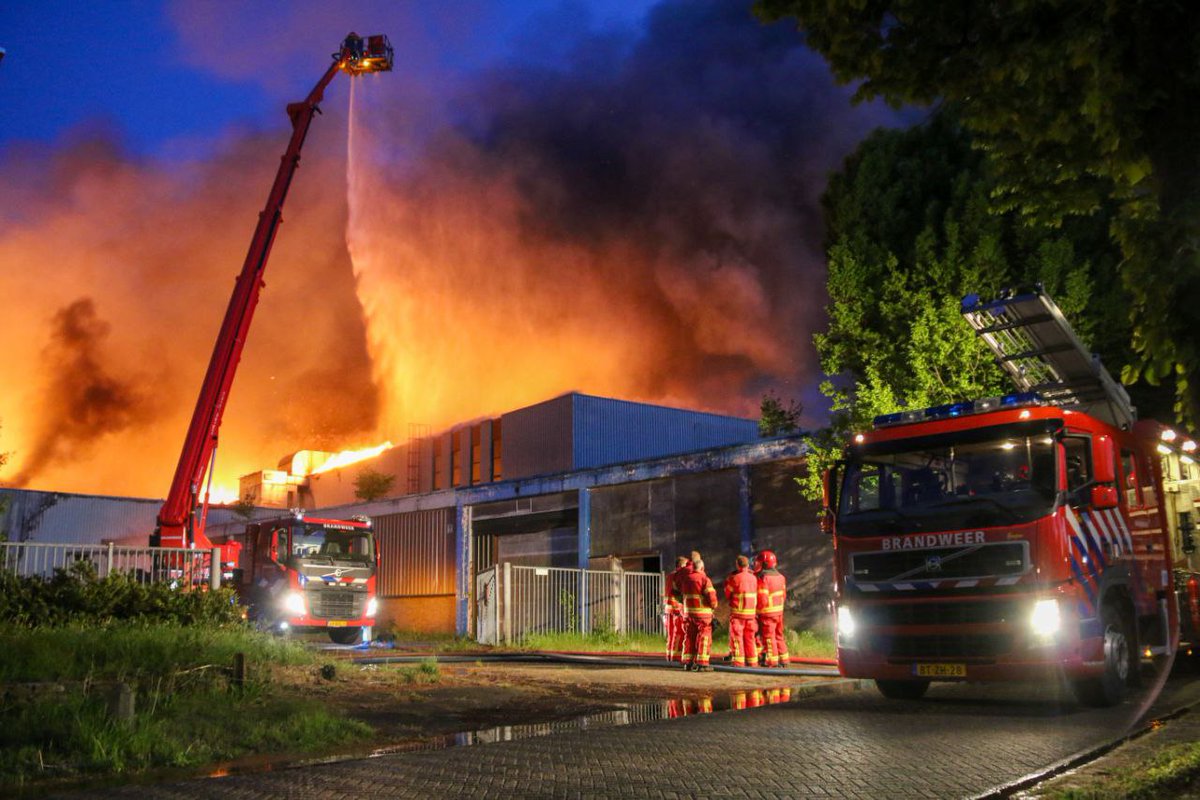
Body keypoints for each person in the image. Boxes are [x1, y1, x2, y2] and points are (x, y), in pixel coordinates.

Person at [681, 558, 718, 671]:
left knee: (689, 638)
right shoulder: (704, 579)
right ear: (702, 568)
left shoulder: (686, 579)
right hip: (703, 615)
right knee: (704, 637)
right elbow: (712, 599)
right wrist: (714, 606)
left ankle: (688, 662)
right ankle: (702, 663)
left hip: (689, 614)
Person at [756, 549, 789, 667]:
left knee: (769, 638)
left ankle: (772, 661)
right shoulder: (781, 577)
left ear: (764, 564)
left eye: (759, 563)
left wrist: (757, 610)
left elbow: (762, 598)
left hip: (767, 613)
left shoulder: (763, 578)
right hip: (779, 612)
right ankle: (784, 659)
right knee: (779, 635)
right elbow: (784, 595)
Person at [724, 555, 758, 667]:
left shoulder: (735, 578)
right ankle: (753, 662)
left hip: (738, 614)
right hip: (751, 614)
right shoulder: (754, 578)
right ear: (748, 565)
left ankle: (739, 662)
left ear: (737, 565)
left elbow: (728, 593)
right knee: (750, 639)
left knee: (737, 638)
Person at [663, 556, 690, 662]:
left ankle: (669, 655)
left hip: (668, 608)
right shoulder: (678, 576)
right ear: (680, 565)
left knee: (670, 634)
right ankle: (676, 656)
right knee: (678, 633)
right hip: (676, 609)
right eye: (685, 565)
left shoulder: (670, 576)